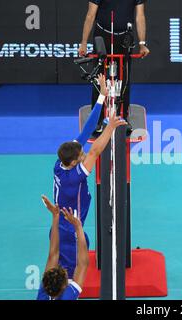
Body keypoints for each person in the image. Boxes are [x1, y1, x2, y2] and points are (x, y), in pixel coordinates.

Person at [54, 74, 126, 277]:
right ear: (75, 162)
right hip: (69, 233)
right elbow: (94, 152)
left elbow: (87, 132)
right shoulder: (74, 178)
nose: (83, 152)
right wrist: (110, 127)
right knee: (67, 276)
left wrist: (102, 96)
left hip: (60, 228)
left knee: (59, 264)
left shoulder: (60, 164)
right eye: (81, 155)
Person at [78, 0, 150, 131]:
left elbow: (140, 16)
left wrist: (142, 43)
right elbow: (90, 15)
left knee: (125, 79)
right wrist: (83, 43)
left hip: (124, 38)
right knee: (99, 78)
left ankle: (123, 118)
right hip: (102, 36)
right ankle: (97, 120)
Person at [37, 195, 89, 300]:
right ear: (64, 288)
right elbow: (82, 264)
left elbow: (53, 255)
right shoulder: (67, 297)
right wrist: (78, 226)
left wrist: (56, 216)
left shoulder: (44, 293)